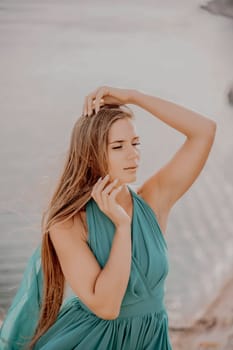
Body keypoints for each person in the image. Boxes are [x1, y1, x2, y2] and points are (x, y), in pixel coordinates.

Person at [0, 86, 216, 349]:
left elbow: (204, 131)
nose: (133, 155)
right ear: (91, 154)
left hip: (152, 339)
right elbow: (108, 307)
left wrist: (133, 97)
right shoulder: (67, 223)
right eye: (118, 146)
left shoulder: (152, 200)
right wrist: (122, 227)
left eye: (135, 143)